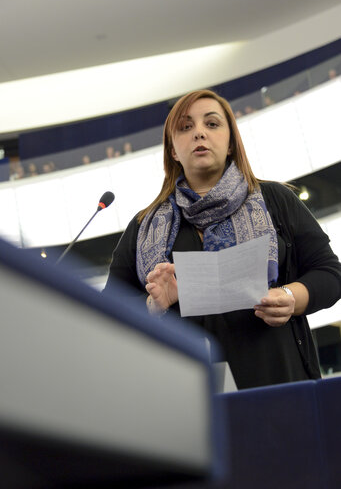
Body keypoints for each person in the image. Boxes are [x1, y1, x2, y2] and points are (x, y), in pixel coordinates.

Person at [103, 89, 341, 390]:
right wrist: (153, 305)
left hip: (279, 384)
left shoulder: (276, 200)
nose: (199, 133)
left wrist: (290, 298)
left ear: (230, 143)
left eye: (212, 124)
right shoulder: (143, 226)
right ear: (173, 150)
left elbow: (331, 274)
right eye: (186, 127)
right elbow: (108, 313)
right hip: (184, 400)